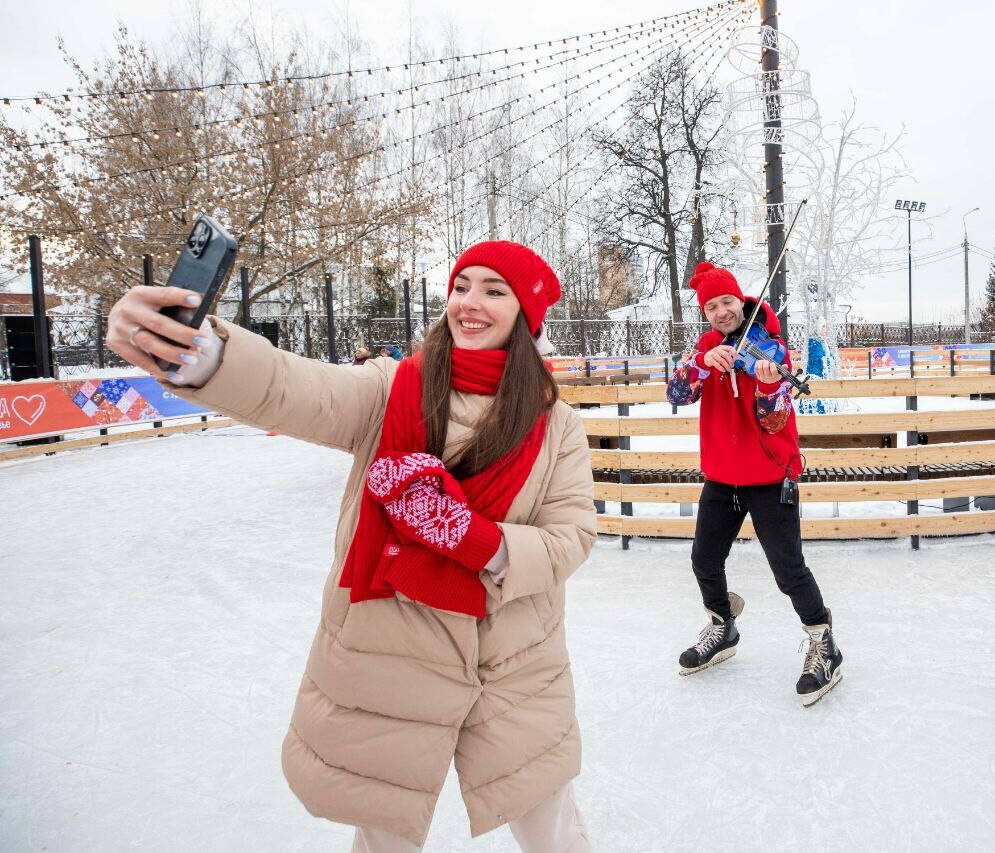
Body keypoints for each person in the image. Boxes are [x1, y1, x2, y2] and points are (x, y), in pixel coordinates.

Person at [106, 240, 596, 851]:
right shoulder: (391, 389)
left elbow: (571, 537)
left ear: (527, 315)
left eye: (495, 292)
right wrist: (200, 351)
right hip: (385, 655)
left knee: (550, 828)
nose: (470, 303)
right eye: (462, 286)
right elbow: (295, 386)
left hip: (513, 663)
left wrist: (472, 539)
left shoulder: (556, 425)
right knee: (383, 831)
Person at [666, 261, 842, 707]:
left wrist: (766, 389)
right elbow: (676, 394)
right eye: (711, 307)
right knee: (704, 559)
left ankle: (825, 643)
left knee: (788, 569)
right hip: (722, 476)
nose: (721, 312)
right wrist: (702, 365)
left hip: (768, 475)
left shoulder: (773, 349)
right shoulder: (705, 347)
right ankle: (723, 625)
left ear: (740, 301)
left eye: (726, 302)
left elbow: (776, 418)